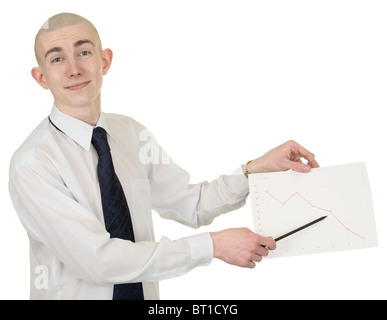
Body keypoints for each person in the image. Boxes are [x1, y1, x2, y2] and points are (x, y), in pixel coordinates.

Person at [8, 13, 319, 300]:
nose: (74, 68)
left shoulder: (131, 133)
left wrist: (253, 170)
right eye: (57, 58)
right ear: (41, 78)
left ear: (105, 61)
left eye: (84, 52)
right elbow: (97, 262)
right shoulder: (33, 163)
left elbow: (191, 205)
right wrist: (213, 246)